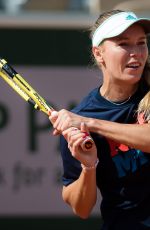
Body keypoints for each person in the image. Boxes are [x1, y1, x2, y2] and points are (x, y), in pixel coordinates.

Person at [49, 10, 150, 229]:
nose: (137, 53)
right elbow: (81, 208)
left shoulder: (84, 120)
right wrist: (88, 166)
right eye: (124, 44)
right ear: (99, 53)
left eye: (141, 43)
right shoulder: (83, 115)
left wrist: (91, 124)